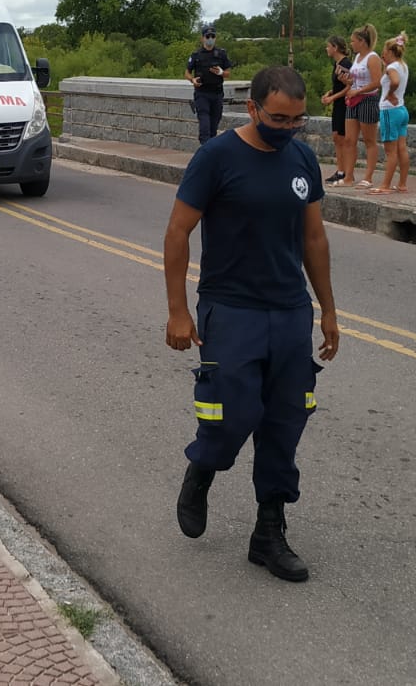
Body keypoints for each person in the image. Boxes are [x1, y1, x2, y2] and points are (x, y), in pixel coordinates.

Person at [163, 65, 341, 583]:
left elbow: (314, 238)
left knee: (286, 422)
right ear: (253, 108)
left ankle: (269, 532)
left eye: (297, 120)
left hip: (289, 311)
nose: (288, 128)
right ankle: (204, 466)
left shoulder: (302, 159)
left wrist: (328, 309)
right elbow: (177, 232)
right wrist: (178, 311)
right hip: (231, 309)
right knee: (230, 416)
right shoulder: (216, 157)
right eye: (278, 119)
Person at [343, 24, 383, 188]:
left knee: (369, 140)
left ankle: (368, 177)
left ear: (362, 41)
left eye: (353, 41)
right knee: (349, 140)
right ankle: (348, 176)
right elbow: (356, 78)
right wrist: (348, 82)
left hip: (367, 99)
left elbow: (377, 82)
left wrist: (358, 91)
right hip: (353, 99)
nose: (351, 44)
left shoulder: (372, 58)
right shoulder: (357, 57)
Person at [371, 32, 411, 193]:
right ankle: (402, 183)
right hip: (401, 110)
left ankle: (385, 185)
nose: (383, 53)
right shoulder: (402, 65)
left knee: (390, 151)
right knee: (402, 148)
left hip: (389, 111)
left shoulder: (392, 68)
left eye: (384, 51)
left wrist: (389, 94)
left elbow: (394, 81)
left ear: (390, 51)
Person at [186, 26, 234, 145]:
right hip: (202, 93)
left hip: (217, 94)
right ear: (202, 38)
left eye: (213, 36)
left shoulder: (221, 54)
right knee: (204, 126)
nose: (210, 39)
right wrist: (192, 80)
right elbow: (187, 73)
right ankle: (205, 149)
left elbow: (228, 73)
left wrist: (221, 72)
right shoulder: (196, 55)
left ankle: (210, 150)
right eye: (208, 36)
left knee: (213, 127)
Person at [320, 36, 353, 184]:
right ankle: (340, 170)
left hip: (344, 104)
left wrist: (333, 97)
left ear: (335, 47)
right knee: (336, 137)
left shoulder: (345, 64)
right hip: (338, 104)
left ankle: (345, 171)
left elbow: (349, 86)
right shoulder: (337, 64)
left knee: (342, 138)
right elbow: (338, 86)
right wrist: (330, 93)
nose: (326, 49)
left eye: (328, 46)